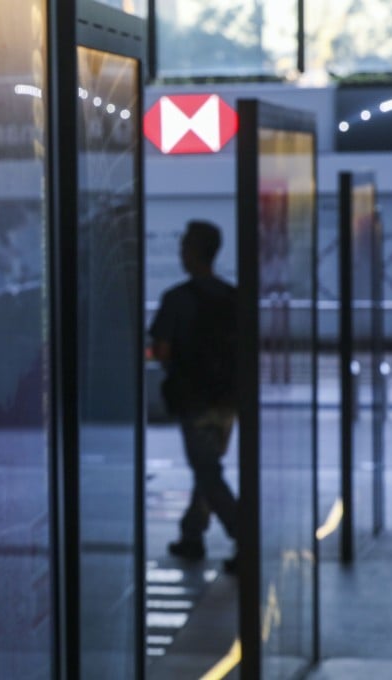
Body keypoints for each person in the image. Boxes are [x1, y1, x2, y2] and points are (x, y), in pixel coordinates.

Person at [149, 220, 239, 573]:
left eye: (184, 245)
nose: (180, 252)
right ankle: (192, 533)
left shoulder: (176, 299)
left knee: (207, 471)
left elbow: (161, 350)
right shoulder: (233, 297)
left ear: (193, 252)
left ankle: (242, 534)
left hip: (194, 398)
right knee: (207, 467)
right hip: (227, 400)